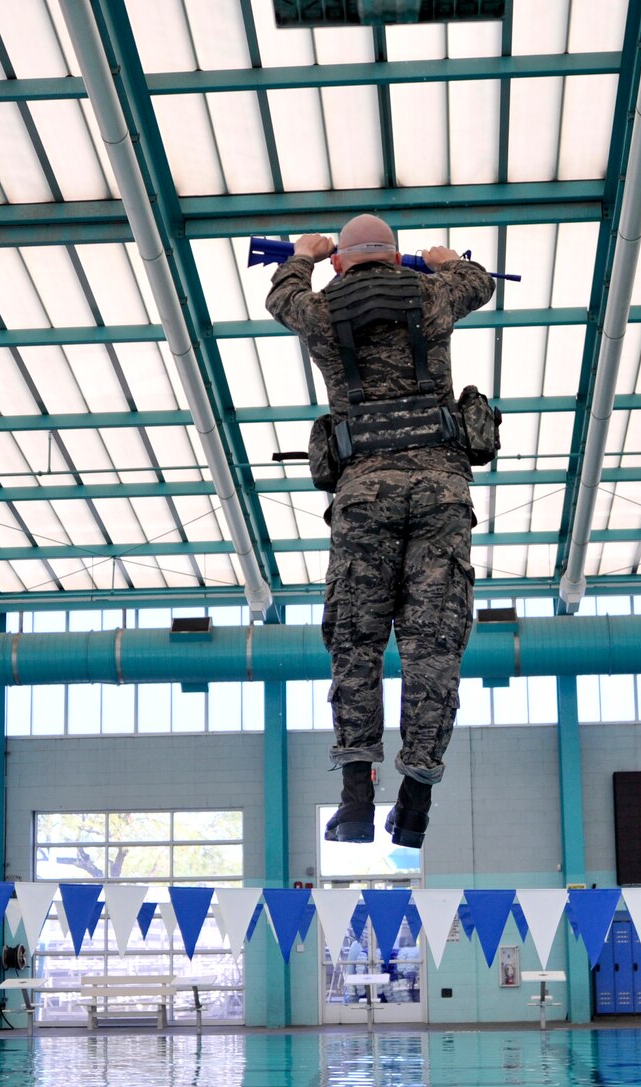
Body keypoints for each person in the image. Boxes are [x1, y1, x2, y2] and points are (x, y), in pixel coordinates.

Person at [265, 214, 496, 848]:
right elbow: (478, 281)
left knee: (355, 645)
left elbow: (281, 297)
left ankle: (357, 801)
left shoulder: (317, 308)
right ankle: (415, 804)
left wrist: (306, 253)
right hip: (440, 495)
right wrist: (444, 255)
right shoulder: (434, 294)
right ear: (396, 261)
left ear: (342, 264)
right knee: (433, 646)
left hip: (363, 497)